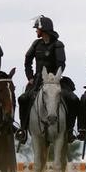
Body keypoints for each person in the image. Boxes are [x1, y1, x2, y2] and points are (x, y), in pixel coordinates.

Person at [15, 15, 79, 144]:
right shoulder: (36, 44)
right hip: (38, 80)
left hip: (55, 80)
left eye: (37, 29)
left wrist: (54, 78)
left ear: (43, 30)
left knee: (73, 99)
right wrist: (30, 77)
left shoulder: (58, 45)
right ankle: (23, 129)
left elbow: (61, 64)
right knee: (23, 99)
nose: (36, 31)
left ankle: (70, 130)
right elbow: (27, 61)